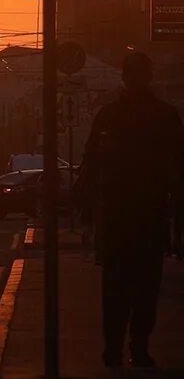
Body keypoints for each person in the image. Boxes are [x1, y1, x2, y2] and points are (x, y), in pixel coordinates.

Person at [76, 52, 184, 369]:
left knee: (122, 287)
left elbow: (92, 163)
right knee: (138, 286)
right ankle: (132, 347)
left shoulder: (115, 115)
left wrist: (89, 213)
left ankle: (122, 348)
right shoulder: (160, 115)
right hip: (138, 213)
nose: (137, 80)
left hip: (126, 214)